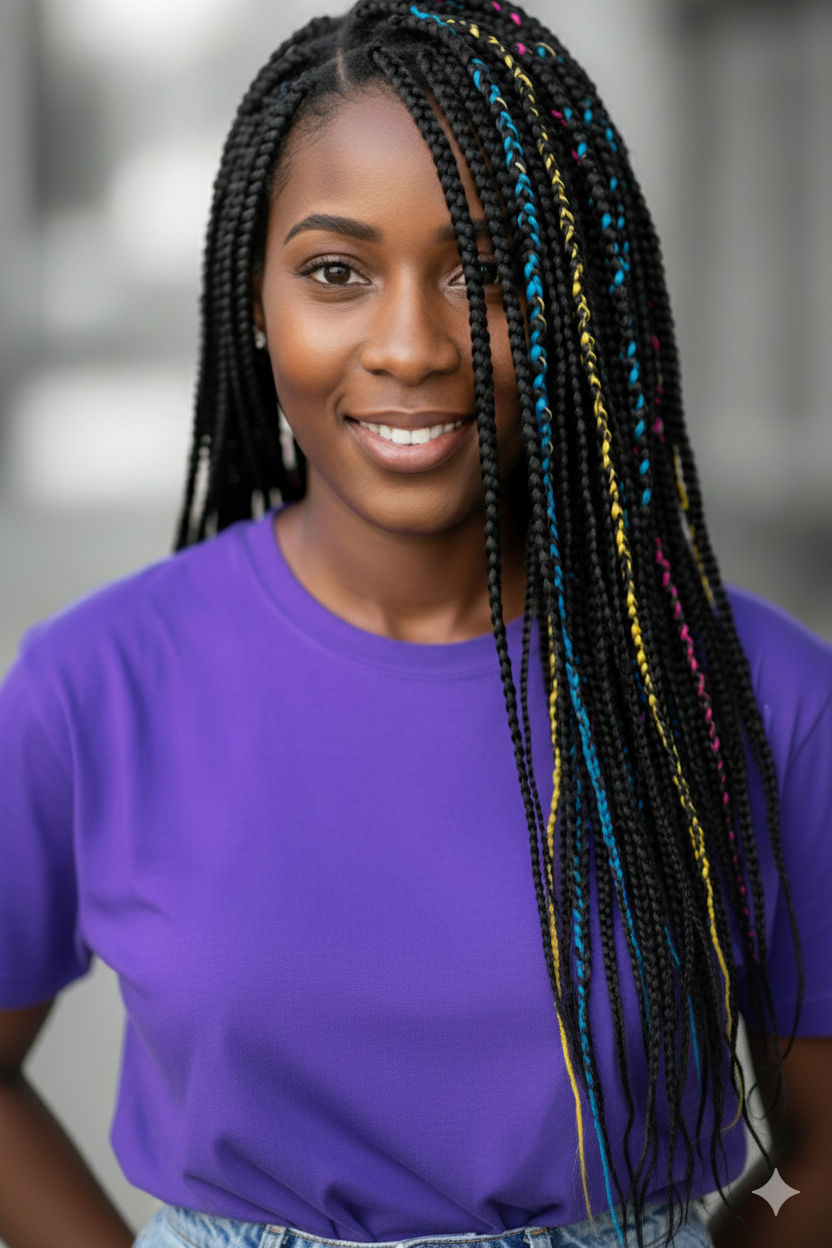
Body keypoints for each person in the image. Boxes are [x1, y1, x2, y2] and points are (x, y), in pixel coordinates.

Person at [1, 1, 830, 1245]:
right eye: (337, 272)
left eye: (486, 276)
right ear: (254, 297)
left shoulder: (752, 691)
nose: (409, 344)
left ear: (581, 304)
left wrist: (719, 1238)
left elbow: (814, 1144)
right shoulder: (94, 687)